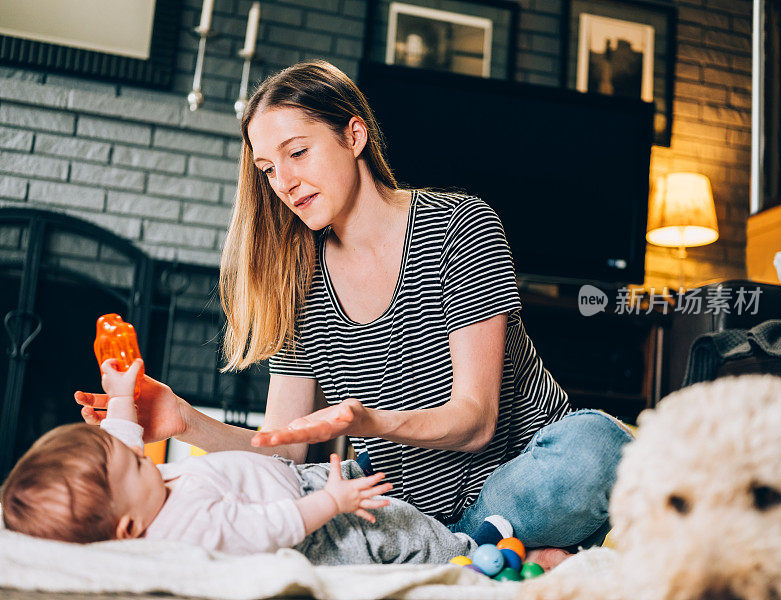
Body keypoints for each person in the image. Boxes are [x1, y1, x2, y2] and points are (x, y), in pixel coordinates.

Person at [75, 59, 632, 562]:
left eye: (297, 152)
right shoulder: (297, 274)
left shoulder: (459, 226)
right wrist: (184, 420)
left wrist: (369, 422)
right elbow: (285, 446)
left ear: (353, 133)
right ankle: (485, 555)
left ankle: (466, 550)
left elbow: (476, 422)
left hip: (520, 478)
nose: (284, 183)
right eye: (268, 168)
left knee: (600, 448)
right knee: (250, 496)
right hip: (402, 508)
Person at [2, 358, 513, 564]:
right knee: (395, 530)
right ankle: (469, 554)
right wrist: (332, 503)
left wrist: (119, 398)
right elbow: (273, 527)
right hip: (319, 527)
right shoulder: (187, 529)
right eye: (137, 467)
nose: (145, 460)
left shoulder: (134, 496)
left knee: (400, 513)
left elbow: (118, 442)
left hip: (298, 479)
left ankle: (462, 539)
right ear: (131, 528)